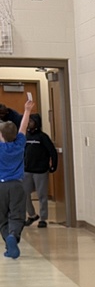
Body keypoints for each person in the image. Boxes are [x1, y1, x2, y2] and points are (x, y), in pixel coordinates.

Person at [0, 99, 33, 259]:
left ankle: (8, 240)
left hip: (1, 186)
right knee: (17, 215)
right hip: (17, 186)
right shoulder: (20, 144)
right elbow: (23, 127)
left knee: (2, 218)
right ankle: (13, 236)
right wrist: (27, 110)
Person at [22, 113, 58, 228]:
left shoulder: (43, 137)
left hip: (40, 170)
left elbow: (52, 151)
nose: (29, 123)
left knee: (42, 195)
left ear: (36, 123)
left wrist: (53, 165)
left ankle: (43, 218)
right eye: (28, 121)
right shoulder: (26, 136)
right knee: (24, 194)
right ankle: (32, 215)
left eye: (31, 121)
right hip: (27, 169)